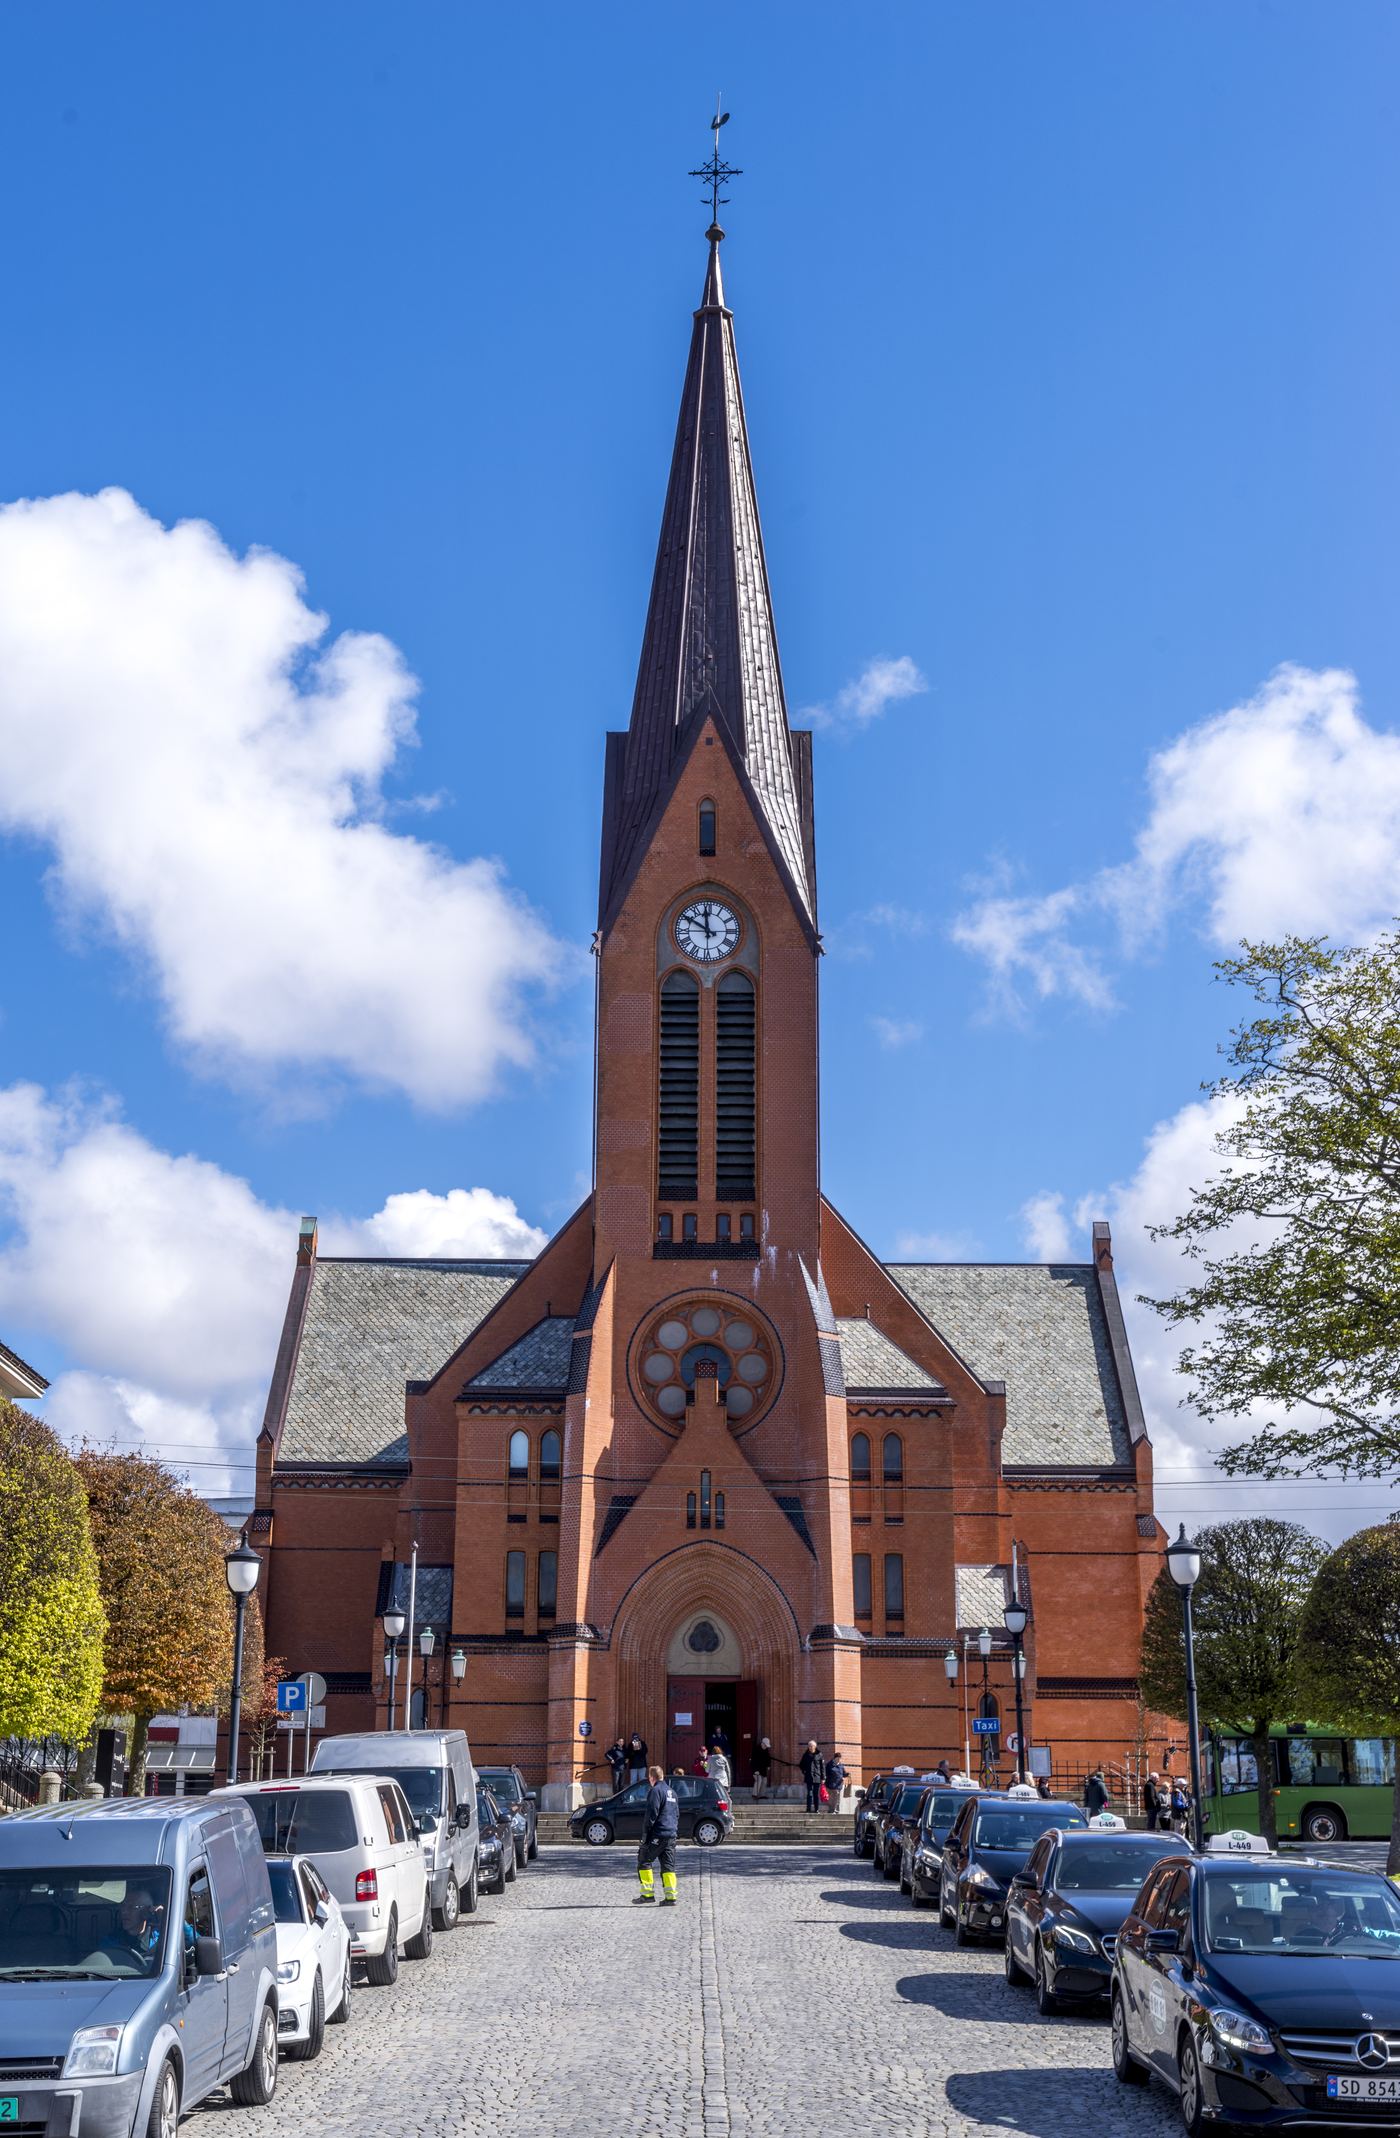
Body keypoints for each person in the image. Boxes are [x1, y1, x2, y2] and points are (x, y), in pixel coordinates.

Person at [634, 1764, 680, 1907]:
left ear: (651, 1777)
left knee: (644, 1860)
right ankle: (671, 1897)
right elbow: (677, 1814)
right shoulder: (672, 1792)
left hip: (658, 1833)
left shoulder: (655, 1791)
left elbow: (651, 1814)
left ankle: (647, 1895)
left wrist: (645, 1835)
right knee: (668, 1866)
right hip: (671, 1834)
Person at [800, 1739, 824, 1813]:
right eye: (809, 1746)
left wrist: (823, 1777)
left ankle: (816, 1809)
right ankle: (808, 1809)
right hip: (809, 1777)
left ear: (815, 1746)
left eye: (811, 1746)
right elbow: (801, 1765)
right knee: (809, 1794)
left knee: (815, 1794)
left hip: (817, 1777)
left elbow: (822, 1767)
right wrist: (804, 1771)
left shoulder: (819, 1754)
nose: (810, 1747)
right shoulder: (806, 1755)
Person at [824, 1748, 846, 1813]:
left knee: (837, 1798)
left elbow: (844, 1773)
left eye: (839, 1758)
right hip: (830, 1784)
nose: (838, 1760)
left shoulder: (841, 1765)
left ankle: (835, 1810)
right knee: (831, 1798)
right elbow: (826, 1773)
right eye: (837, 1758)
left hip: (838, 1784)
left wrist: (846, 1775)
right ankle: (831, 1809)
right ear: (834, 1758)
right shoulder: (829, 1765)